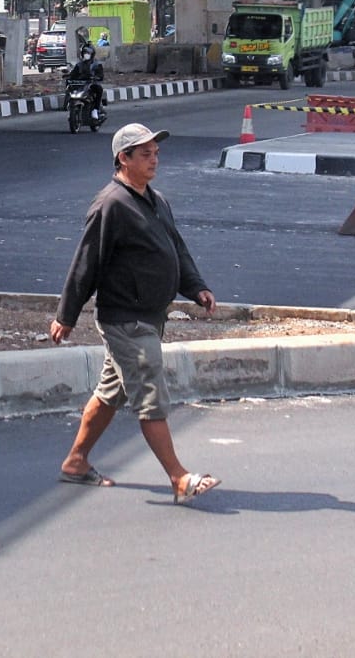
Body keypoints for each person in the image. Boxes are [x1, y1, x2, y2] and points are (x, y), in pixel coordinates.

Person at [50, 122, 221, 505]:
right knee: (149, 392)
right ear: (123, 159)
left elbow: (176, 249)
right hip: (125, 318)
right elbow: (85, 263)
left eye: (156, 153)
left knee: (111, 392)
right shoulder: (111, 204)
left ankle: (76, 461)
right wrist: (66, 314)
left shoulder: (156, 200)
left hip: (150, 315)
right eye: (145, 154)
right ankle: (178, 478)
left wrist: (196, 286)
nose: (154, 160)